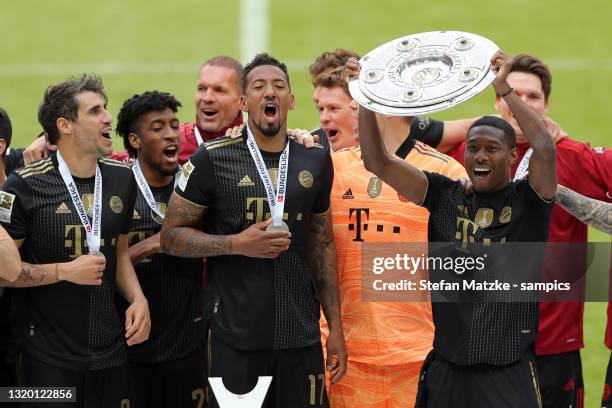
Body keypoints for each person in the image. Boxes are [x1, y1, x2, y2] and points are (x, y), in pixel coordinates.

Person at [356, 51, 557, 407]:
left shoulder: (529, 202)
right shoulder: (444, 194)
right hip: (447, 370)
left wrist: (504, 89)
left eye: (492, 149)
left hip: (506, 372)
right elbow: (377, 161)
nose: (480, 156)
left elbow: (543, 144)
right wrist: (364, 96)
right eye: (474, 148)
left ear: (512, 157)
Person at [421, 53, 612, 407]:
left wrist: (559, 193)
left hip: (553, 345)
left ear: (546, 105)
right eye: (513, 95)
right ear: (497, 102)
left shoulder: (569, 156)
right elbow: (404, 142)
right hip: (485, 346)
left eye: (532, 97)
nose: (521, 102)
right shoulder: (468, 153)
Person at [161, 53, 347, 408]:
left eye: (279, 86)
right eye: (258, 87)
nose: (269, 93)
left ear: (291, 100)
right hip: (236, 339)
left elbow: (321, 244)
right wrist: (236, 244)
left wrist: (334, 329)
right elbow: (171, 237)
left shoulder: (314, 158)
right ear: (244, 102)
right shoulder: (212, 159)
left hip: (301, 337)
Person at [0, 74, 150, 407]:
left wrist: (138, 298)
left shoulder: (121, 178)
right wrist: (64, 272)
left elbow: (118, 252)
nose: (108, 117)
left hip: (110, 354)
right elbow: (2, 272)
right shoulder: (23, 186)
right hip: (46, 359)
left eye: (105, 109)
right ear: (65, 125)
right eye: (95, 111)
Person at [320, 102, 467, 406]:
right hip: (346, 358)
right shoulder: (333, 168)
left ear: (384, 108)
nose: (351, 112)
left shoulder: (445, 172)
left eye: (359, 105)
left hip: (419, 356)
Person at [115, 90, 207, 407]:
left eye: (173, 125)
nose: (171, 134)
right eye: (157, 128)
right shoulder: (116, 191)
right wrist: (151, 246)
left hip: (189, 348)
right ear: (135, 140)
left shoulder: (193, 188)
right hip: (128, 350)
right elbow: (97, 265)